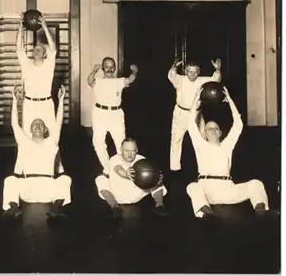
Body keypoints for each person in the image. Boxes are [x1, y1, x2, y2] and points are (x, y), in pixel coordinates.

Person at [186, 86, 275, 220]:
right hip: (206, 189)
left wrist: (230, 101)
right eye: (210, 129)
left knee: (256, 184)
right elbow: (190, 124)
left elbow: (238, 124)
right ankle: (207, 215)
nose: (213, 131)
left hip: (227, 188)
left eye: (216, 128)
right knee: (192, 187)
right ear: (204, 134)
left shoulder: (227, 145)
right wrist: (195, 100)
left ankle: (261, 213)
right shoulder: (200, 145)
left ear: (221, 133)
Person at [2, 84, 71, 220]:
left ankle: (56, 208)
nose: (38, 126)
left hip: (48, 190)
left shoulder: (52, 143)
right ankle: (14, 208)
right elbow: (15, 124)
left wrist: (61, 101)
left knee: (65, 179)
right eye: (34, 124)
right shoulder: (24, 143)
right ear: (30, 130)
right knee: (10, 180)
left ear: (45, 130)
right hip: (28, 189)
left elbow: (58, 123)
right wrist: (15, 100)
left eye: (41, 125)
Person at [168, 58, 222, 172]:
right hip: (181, 113)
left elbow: (215, 80)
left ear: (199, 72)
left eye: (195, 72)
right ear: (186, 71)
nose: (192, 74)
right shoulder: (180, 80)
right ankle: (174, 167)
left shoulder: (202, 81)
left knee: (202, 139)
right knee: (176, 140)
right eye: (190, 71)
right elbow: (172, 76)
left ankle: (203, 167)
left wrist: (217, 70)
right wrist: (173, 68)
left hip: (197, 114)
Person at [87, 57, 138, 175]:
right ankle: (109, 169)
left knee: (121, 143)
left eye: (112, 67)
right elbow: (89, 81)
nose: (109, 69)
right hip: (100, 113)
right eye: (107, 67)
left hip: (116, 114)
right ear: (102, 68)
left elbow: (130, 79)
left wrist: (135, 71)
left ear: (115, 68)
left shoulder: (118, 81)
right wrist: (94, 71)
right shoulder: (98, 81)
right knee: (98, 143)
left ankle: (125, 169)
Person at [95, 138, 168, 219]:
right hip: (118, 195)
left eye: (132, 151)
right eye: (126, 150)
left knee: (156, 179)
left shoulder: (141, 159)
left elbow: (153, 173)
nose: (129, 154)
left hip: (136, 192)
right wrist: (126, 174)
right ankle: (115, 207)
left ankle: (159, 206)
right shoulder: (114, 159)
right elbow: (118, 169)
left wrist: (158, 178)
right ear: (121, 150)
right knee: (100, 179)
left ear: (136, 150)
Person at [16, 13, 58, 136]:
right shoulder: (26, 63)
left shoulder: (49, 64)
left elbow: (53, 49)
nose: (36, 50)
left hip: (46, 104)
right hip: (29, 104)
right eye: (35, 48)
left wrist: (44, 26)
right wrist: (20, 27)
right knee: (28, 136)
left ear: (45, 54)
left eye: (40, 49)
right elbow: (19, 48)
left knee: (50, 136)